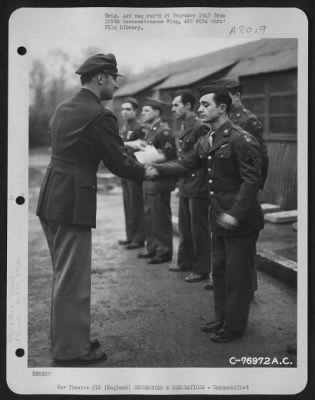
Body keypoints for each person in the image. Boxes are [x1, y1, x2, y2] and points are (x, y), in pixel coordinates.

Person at [36, 53, 154, 365]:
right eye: (115, 78)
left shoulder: (65, 106)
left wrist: (125, 145)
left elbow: (78, 144)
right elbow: (117, 164)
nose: (117, 83)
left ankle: (70, 338)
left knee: (64, 275)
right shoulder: (101, 115)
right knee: (73, 280)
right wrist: (147, 171)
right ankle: (71, 351)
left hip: (51, 197)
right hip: (73, 201)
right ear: (101, 77)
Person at [152, 86, 264, 342]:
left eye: (205, 104)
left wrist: (235, 214)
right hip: (218, 217)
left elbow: (251, 181)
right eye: (199, 105)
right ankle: (221, 318)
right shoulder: (208, 139)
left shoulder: (240, 138)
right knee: (221, 270)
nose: (199, 109)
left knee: (236, 275)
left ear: (222, 108)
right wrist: (155, 170)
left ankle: (234, 327)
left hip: (240, 220)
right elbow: (186, 163)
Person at [204, 78, 269, 294]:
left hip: (244, 185)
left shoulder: (248, 120)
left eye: (227, 94)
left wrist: (255, 189)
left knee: (243, 249)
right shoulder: (225, 119)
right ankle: (235, 288)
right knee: (232, 255)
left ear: (236, 96)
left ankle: (247, 288)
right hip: (232, 187)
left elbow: (261, 157)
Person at [169, 91, 212, 283]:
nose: (173, 109)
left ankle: (201, 268)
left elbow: (200, 158)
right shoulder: (184, 125)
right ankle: (185, 261)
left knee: (198, 229)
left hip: (198, 184)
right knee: (185, 227)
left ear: (187, 106)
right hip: (186, 182)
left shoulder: (199, 126)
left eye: (176, 105)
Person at [137, 97, 177, 264]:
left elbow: (170, 156)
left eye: (146, 111)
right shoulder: (151, 131)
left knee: (160, 216)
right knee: (149, 216)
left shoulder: (164, 131)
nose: (143, 114)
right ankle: (152, 246)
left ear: (157, 112)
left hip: (159, 179)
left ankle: (164, 250)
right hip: (149, 179)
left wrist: (151, 159)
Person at [118, 97, 146, 250]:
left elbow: (142, 148)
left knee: (136, 205)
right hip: (125, 170)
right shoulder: (124, 126)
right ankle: (130, 236)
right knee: (127, 205)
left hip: (134, 169)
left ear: (135, 111)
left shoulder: (139, 127)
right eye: (123, 109)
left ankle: (139, 238)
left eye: (128, 109)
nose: (124, 112)